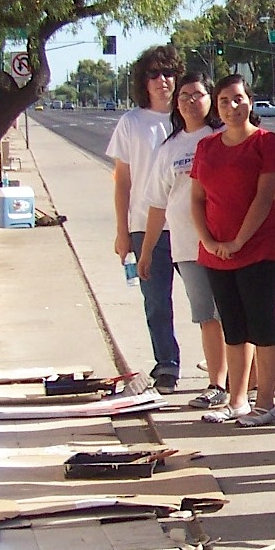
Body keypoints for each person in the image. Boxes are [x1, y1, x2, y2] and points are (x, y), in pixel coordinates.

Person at [189, 74, 275, 426]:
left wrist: (238, 241)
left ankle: (266, 404)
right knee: (233, 325)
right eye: (224, 101)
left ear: (250, 101)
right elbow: (197, 199)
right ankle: (237, 400)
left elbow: (266, 197)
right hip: (216, 252)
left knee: (262, 323)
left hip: (259, 249)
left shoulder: (267, 142)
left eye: (238, 99)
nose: (231, 107)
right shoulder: (207, 147)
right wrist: (209, 241)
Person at [138, 72, 225, 409]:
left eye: (198, 94)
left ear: (210, 99)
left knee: (233, 314)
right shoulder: (170, 148)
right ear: (177, 103)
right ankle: (217, 383)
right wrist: (146, 253)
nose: (191, 101)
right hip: (189, 247)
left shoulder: (222, 137)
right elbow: (158, 206)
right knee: (207, 315)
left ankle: (244, 381)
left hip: (227, 242)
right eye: (184, 95)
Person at [108, 45, 180, 392]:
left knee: (209, 305)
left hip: (189, 226)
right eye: (154, 74)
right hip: (145, 228)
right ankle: (166, 366)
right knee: (156, 302)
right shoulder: (131, 123)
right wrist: (123, 232)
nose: (162, 81)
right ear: (143, 81)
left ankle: (222, 372)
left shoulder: (188, 118)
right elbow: (122, 180)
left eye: (168, 73)